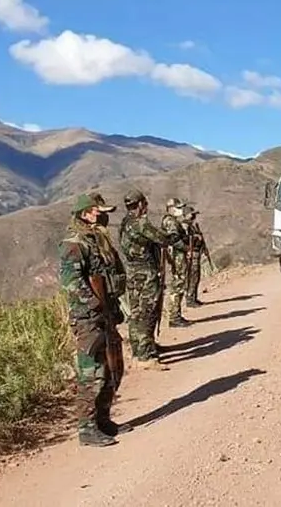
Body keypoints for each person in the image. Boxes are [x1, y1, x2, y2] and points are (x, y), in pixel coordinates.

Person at [58, 193, 132, 446]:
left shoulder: (96, 239)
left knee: (113, 367)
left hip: (105, 312)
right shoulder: (74, 243)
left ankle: (103, 419)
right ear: (88, 212)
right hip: (88, 317)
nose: (104, 215)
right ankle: (87, 429)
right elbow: (71, 283)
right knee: (91, 372)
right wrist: (94, 305)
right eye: (100, 211)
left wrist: (111, 307)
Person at [116, 189, 177, 369]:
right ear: (141, 204)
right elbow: (163, 239)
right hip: (146, 273)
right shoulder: (140, 224)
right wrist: (174, 231)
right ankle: (146, 355)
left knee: (136, 312)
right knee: (147, 311)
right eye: (145, 203)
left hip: (133, 272)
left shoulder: (124, 222)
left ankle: (141, 348)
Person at [89, 192, 129, 321]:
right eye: (100, 213)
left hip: (111, 291)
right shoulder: (89, 238)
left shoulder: (102, 235)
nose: (104, 217)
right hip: (98, 297)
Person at [160, 198, 192, 328]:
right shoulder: (171, 222)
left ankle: (176, 314)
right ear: (171, 208)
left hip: (176, 255)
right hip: (176, 256)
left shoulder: (170, 221)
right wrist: (186, 248)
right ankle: (174, 316)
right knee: (178, 284)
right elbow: (174, 239)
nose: (180, 210)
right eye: (177, 207)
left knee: (179, 283)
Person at [182, 206, 208, 307]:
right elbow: (185, 239)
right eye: (192, 214)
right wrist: (196, 238)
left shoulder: (192, 226)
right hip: (191, 254)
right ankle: (190, 299)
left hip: (196, 253)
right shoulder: (185, 226)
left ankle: (194, 297)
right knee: (192, 276)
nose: (194, 216)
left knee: (196, 276)